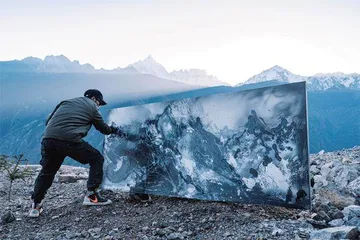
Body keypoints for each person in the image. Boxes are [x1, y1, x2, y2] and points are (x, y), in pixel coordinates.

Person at [29, 89, 120, 218]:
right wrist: (114, 130)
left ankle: (35, 206)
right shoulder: (92, 107)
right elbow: (103, 128)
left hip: (48, 139)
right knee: (96, 159)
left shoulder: (65, 102)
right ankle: (92, 195)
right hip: (69, 140)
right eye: (99, 102)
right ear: (94, 99)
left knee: (47, 171)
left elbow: (48, 121)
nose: (99, 105)